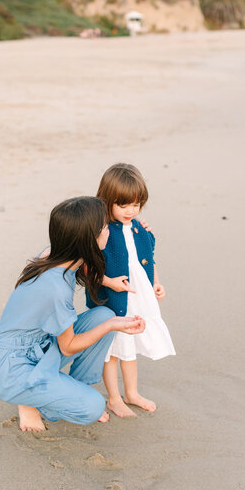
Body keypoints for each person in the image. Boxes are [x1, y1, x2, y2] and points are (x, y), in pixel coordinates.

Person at [0, 196, 145, 433]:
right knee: (92, 408)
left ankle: (67, 390)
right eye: (104, 227)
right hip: (14, 370)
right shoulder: (55, 290)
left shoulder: (56, 254)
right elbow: (69, 347)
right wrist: (113, 325)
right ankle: (34, 400)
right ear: (87, 240)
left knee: (102, 314)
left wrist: (139, 229)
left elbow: (85, 269)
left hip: (38, 347)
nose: (109, 230)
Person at [86, 164, 176, 418]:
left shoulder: (138, 227)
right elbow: (87, 268)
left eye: (136, 205)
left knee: (130, 343)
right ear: (107, 201)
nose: (131, 211)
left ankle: (132, 393)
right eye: (123, 205)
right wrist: (109, 282)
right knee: (112, 350)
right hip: (113, 300)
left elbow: (148, 258)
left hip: (138, 298)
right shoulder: (101, 230)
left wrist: (156, 282)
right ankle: (114, 398)